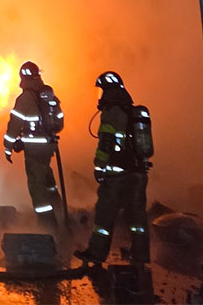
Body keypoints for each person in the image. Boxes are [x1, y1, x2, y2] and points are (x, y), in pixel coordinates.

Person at [75, 71, 150, 266]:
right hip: (138, 173)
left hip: (118, 175)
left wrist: (99, 167)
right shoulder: (131, 111)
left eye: (101, 90)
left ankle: (96, 254)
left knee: (104, 216)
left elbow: (106, 143)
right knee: (137, 218)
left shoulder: (111, 111)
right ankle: (141, 256)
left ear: (107, 90)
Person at [1, 61, 65, 222]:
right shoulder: (49, 96)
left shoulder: (25, 98)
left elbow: (14, 125)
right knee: (48, 180)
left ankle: (48, 225)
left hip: (34, 149)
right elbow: (60, 123)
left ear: (22, 77)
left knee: (37, 186)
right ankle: (61, 213)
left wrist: (8, 147)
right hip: (50, 147)